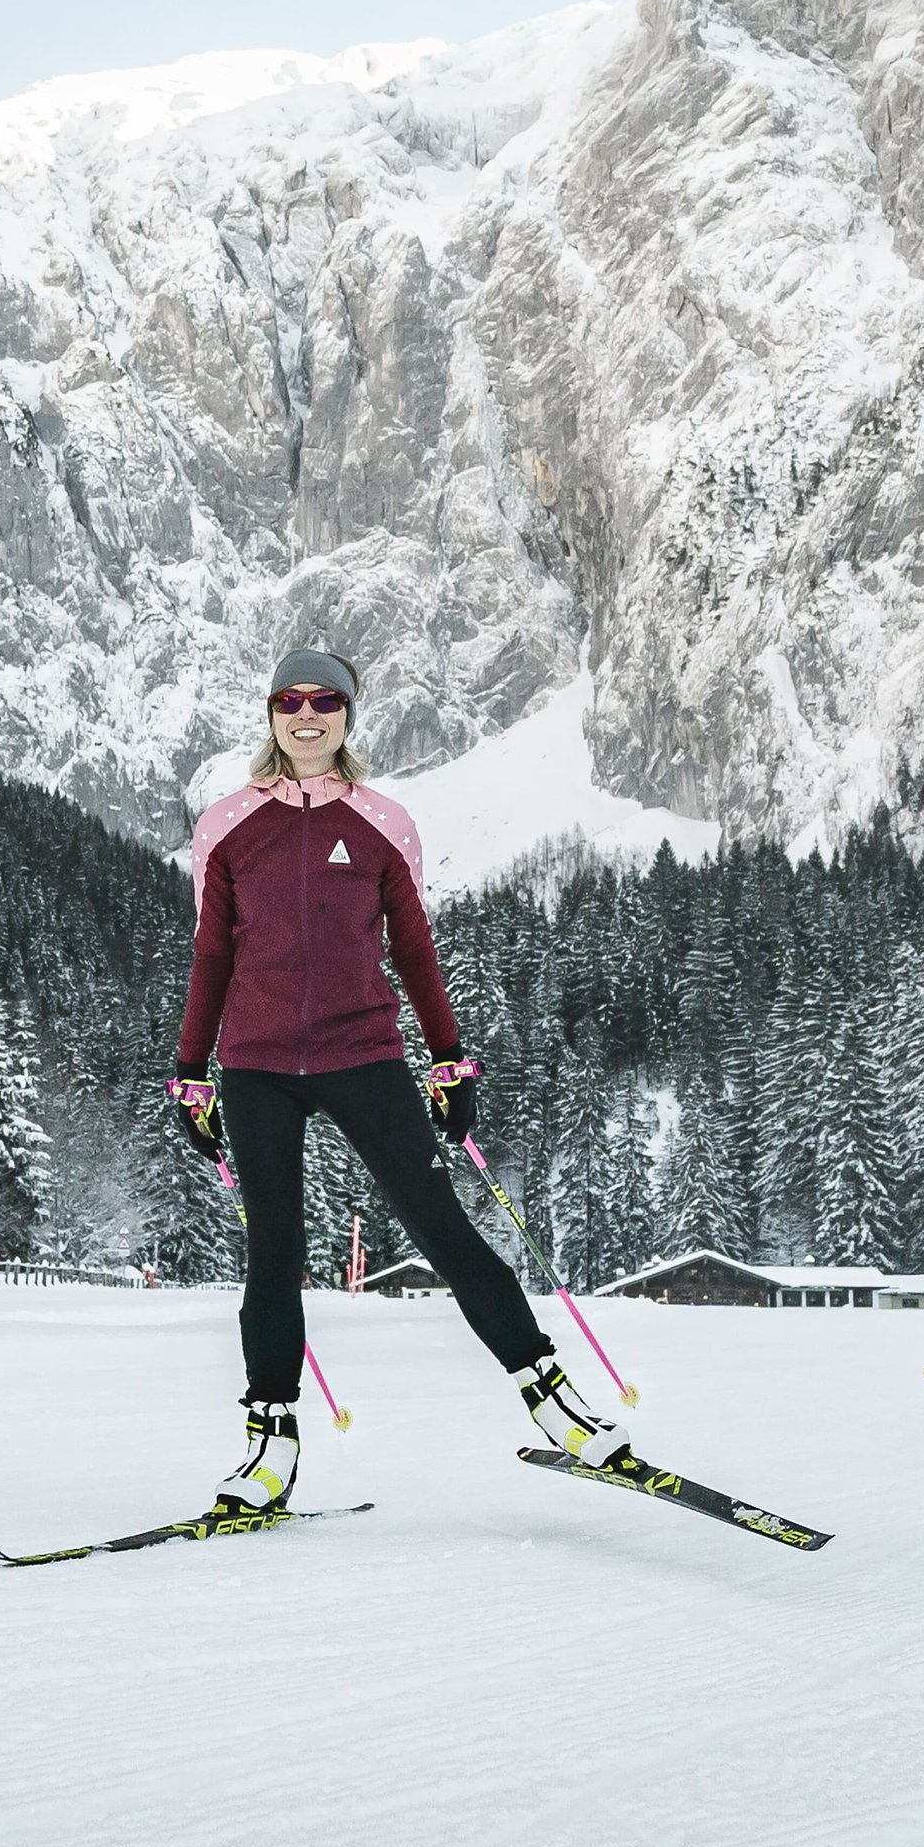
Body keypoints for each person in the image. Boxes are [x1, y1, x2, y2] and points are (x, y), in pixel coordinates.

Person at [168, 647, 631, 1511]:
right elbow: (211, 954)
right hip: (256, 1065)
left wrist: (449, 1058)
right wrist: (191, 1072)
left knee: (442, 1227)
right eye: (290, 701)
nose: (307, 716)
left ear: (349, 715)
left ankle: (552, 1397)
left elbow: (415, 951)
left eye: (326, 701)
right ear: (270, 714)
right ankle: (270, 1441)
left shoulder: (385, 823)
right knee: (272, 1250)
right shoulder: (226, 825)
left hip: (364, 1056)